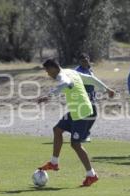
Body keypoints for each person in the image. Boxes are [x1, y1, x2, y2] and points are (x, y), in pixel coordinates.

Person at [37, 58, 115, 186]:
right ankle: (54, 162)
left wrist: (49, 95)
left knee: (75, 145)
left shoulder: (62, 76)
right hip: (76, 111)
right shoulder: (71, 71)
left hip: (82, 113)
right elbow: (90, 79)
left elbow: (66, 83)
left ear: (53, 68)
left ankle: (92, 175)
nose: (47, 74)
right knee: (57, 130)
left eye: (47, 71)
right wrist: (107, 89)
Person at [75, 53, 97, 142]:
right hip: (83, 96)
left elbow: (93, 82)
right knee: (88, 115)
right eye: (83, 61)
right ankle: (83, 134)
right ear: (79, 62)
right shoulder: (77, 71)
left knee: (92, 115)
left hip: (91, 96)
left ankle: (82, 133)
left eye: (86, 60)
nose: (85, 62)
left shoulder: (90, 69)